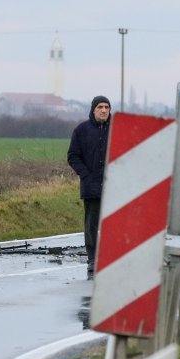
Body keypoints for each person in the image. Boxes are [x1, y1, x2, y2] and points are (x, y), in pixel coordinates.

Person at [67, 95, 112, 280]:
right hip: (91, 185)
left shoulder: (117, 130)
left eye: (107, 107)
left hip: (113, 185)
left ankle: (112, 257)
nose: (103, 110)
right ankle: (93, 259)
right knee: (91, 224)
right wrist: (85, 174)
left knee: (113, 223)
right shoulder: (82, 131)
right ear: (93, 109)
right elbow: (73, 156)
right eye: (100, 107)